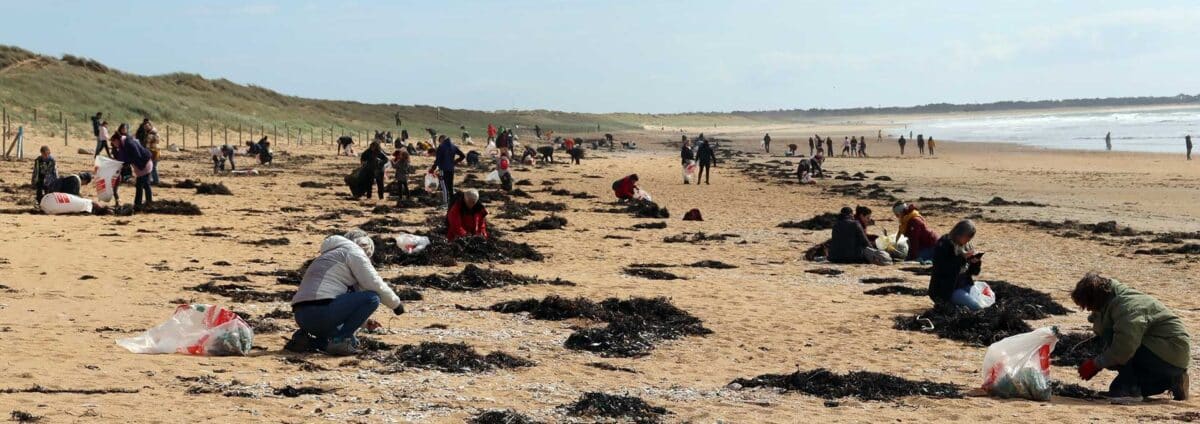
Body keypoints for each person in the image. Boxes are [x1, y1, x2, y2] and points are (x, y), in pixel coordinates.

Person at [1071, 273, 1190, 402]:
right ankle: (1173, 380)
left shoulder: (1127, 307)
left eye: (1089, 305)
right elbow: (1103, 316)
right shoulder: (1112, 297)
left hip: (1169, 351)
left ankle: (1130, 391)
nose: (1088, 309)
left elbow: (1124, 348)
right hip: (1172, 358)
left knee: (1112, 341)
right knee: (1122, 387)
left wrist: (1095, 364)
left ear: (1097, 299)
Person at [286, 231, 407, 356]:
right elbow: (374, 283)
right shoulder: (353, 252)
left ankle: (305, 339)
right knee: (372, 298)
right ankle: (340, 341)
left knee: (348, 339)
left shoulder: (328, 255)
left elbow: (346, 301)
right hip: (322, 313)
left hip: (301, 316)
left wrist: (365, 323)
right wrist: (396, 304)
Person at [928, 220, 983, 308]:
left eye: (970, 238)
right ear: (959, 234)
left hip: (964, 284)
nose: (968, 240)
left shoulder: (966, 245)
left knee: (985, 303)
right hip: (947, 289)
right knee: (976, 307)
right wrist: (962, 258)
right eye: (967, 237)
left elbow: (974, 272)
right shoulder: (944, 244)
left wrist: (975, 262)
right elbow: (943, 268)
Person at [112, 136, 154, 208]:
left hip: (144, 164)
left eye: (113, 143)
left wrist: (126, 162)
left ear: (116, 140)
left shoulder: (128, 143)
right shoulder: (124, 144)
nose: (114, 145)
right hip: (141, 166)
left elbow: (136, 155)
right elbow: (124, 158)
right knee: (142, 185)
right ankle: (143, 203)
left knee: (144, 185)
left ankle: (144, 203)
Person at [430, 136, 466, 207]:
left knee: (444, 187)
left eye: (439, 141)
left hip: (443, 169)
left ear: (442, 140)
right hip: (451, 169)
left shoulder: (441, 147)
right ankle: (452, 202)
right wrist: (455, 162)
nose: (439, 143)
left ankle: (445, 203)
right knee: (450, 186)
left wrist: (432, 169)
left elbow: (438, 160)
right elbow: (463, 156)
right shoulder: (453, 146)